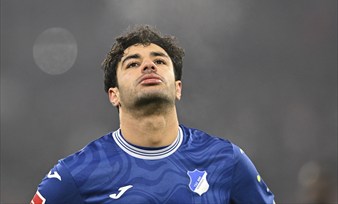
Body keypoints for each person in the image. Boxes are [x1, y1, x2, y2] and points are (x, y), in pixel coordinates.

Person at [31, 25, 275, 204]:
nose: (149, 66)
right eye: (133, 64)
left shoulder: (226, 159)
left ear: (177, 88)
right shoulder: (75, 172)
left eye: (160, 61)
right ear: (113, 95)